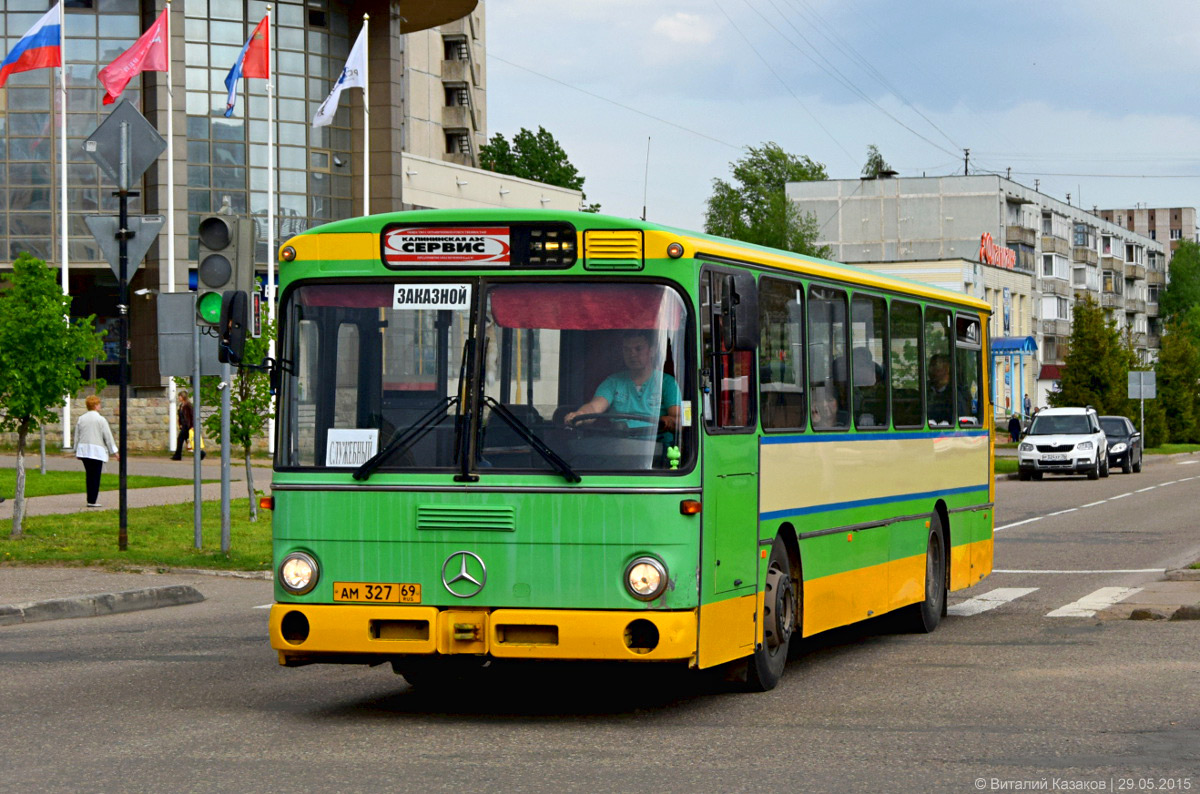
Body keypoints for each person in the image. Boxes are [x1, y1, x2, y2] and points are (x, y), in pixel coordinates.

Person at [563, 330, 681, 440]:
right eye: (627, 350)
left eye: (638, 349)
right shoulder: (613, 382)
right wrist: (580, 414)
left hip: (656, 450)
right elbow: (594, 407)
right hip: (619, 447)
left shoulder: (667, 383)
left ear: (652, 351)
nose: (632, 354)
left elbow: (678, 420)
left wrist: (667, 422)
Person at [74, 394, 118, 508]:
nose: (100, 406)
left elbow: (77, 436)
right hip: (96, 451)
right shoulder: (101, 419)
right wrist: (114, 452)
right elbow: (107, 437)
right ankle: (92, 500)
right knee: (96, 476)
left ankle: (90, 499)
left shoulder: (81, 418)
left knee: (89, 475)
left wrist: (76, 450)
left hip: (84, 450)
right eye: (98, 404)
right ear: (95, 405)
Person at [171, 390, 204, 461]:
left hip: (188, 426)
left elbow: (192, 416)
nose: (178, 398)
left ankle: (178, 455)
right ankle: (201, 453)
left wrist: (193, 426)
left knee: (180, 439)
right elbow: (180, 416)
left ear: (183, 397)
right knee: (189, 441)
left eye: (179, 396)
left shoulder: (188, 405)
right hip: (184, 425)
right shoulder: (181, 406)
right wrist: (180, 424)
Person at [926, 354, 953, 426]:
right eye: (931, 367)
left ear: (946, 369)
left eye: (936, 368)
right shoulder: (925, 389)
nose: (931, 371)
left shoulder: (955, 394)